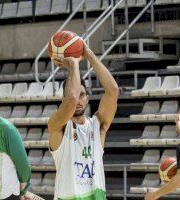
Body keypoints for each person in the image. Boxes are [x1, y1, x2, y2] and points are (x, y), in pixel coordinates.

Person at [48, 41, 119, 199]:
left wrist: (89, 55)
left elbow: (113, 90)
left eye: (82, 95)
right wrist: (73, 64)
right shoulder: (56, 125)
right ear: (63, 100)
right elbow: (72, 100)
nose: (78, 100)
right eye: (74, 96)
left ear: (87, 99)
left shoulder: (97, 125)